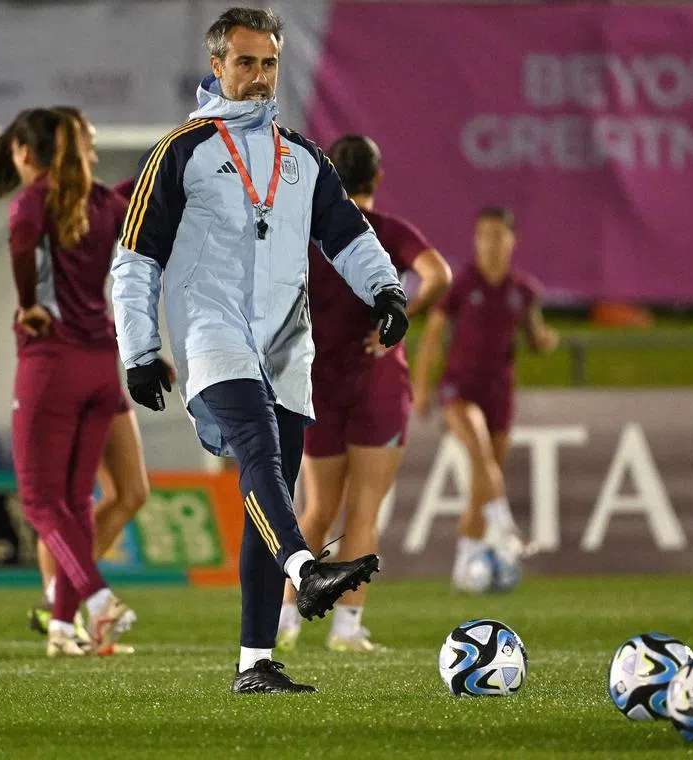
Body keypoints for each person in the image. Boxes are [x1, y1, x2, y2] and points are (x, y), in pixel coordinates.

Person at [111, 8, 408, 693]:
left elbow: (350, 236)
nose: (258, 77)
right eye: (244, 63)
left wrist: (387, 293)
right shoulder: (180, 152)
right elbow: (135, 259)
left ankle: (255, 662)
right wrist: (139, 346)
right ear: (216, 67)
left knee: (263, 496)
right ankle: (306, 572)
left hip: (288, 344)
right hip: (212, 333)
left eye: (268, 63)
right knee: (258, 454)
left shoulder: (302, 157)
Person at [0, 108, 171, 645]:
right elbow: (138, 195)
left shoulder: (32, 202)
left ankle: (99, 599)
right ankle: (62, 624)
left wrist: (26, 304)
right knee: (75, 504)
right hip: (100, 367)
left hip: (51, 365)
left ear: (25, 152)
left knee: (41, 502)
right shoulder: (105, 202)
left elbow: (20, 240)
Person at [275, 135, 452, 653]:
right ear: (377, 177)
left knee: (315, 509)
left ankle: (283, 618)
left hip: (318, 384)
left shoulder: (308, 234)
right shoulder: (389, 232)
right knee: (365, 510)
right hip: (376, 383)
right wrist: (400, 320)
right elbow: (438, 275)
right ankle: (347, 628)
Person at [412, 207, 559, 593]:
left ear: (512, 241)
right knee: (479, 450)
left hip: (500, 393)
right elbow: (432, 336)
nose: (489, 244)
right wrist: (422, 387)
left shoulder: (523, 291)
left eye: (497, 236)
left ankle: (466, 561)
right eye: (483, 236)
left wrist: (545, 343)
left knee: (483, 478)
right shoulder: (462, 284)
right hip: (458, 388)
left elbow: (535, 337)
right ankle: (505, 527)